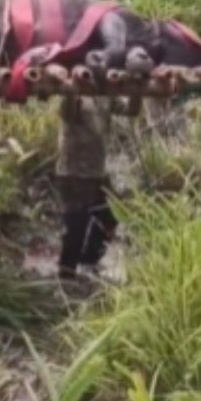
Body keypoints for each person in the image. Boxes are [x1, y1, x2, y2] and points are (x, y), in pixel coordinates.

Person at [55, 93, 141, 280]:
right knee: (76, 227)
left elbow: (132, 110)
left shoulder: (105, 95)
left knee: (109, 219)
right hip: (74, 173)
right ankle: (66, 274)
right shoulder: (75, 97)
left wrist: (137, 89)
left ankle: (88, 262)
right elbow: (66, 113)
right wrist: (73, 88)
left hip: (96, 174)